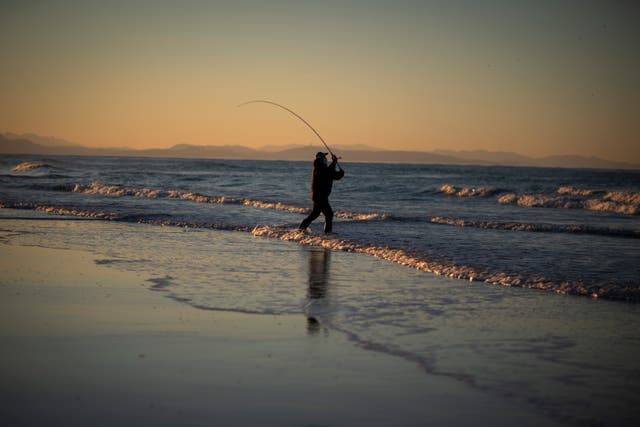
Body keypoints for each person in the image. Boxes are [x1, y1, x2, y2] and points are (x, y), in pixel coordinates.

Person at [298, 152, 344, 233]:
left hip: (319, 196)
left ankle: (301, 229)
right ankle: (328, 234)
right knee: (329, 214)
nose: (325, 159)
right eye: (324, 158)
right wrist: (334, 163)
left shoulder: (321, 168)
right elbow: (330, 173)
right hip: (320, 197)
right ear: (320, 159)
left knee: (315, 214)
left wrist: (338, 169)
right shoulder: (319, 169)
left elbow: (333, 175)